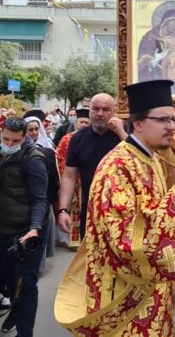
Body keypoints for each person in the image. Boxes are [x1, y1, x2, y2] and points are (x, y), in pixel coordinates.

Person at [54, 80, 175, 336]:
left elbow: (151, 209)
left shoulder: (150, 158)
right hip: (124, 290)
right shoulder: (117, 166)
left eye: (173, 119)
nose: (172, 127)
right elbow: (123, 238)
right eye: (163, 120)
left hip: (153, 285)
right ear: (138, 123)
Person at [0, 116, 49, 336]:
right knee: (9, 282)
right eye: (6, 139)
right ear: (1, 133)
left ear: (24, 138)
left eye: (15, 141)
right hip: (2, 227)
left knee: (26, 285)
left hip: (26, 230)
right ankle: (14, 312)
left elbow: (40, 199)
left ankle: (25, 332)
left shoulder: (33, 159)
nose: (9, 144)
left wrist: (34, 229)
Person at [56, 94, 127, 242]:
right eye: (96, 109)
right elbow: (69, 176)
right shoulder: (77, 138)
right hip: (90, 210)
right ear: (89, 111)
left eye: (106, 109)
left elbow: (140, 158)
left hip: (124, 212)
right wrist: (63, 210)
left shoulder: (126, 135)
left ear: (114, 111)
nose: (100, 114)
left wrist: (120, 132)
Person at [55, 108, 90, 249]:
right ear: (76, 123)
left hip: (87, 181)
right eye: (81, 122)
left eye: (86, 123)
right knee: (72, 210)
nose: (83, 125)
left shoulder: (92, 139)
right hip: (72, 182)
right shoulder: (67, 138)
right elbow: (61, 158)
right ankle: (72, 240)